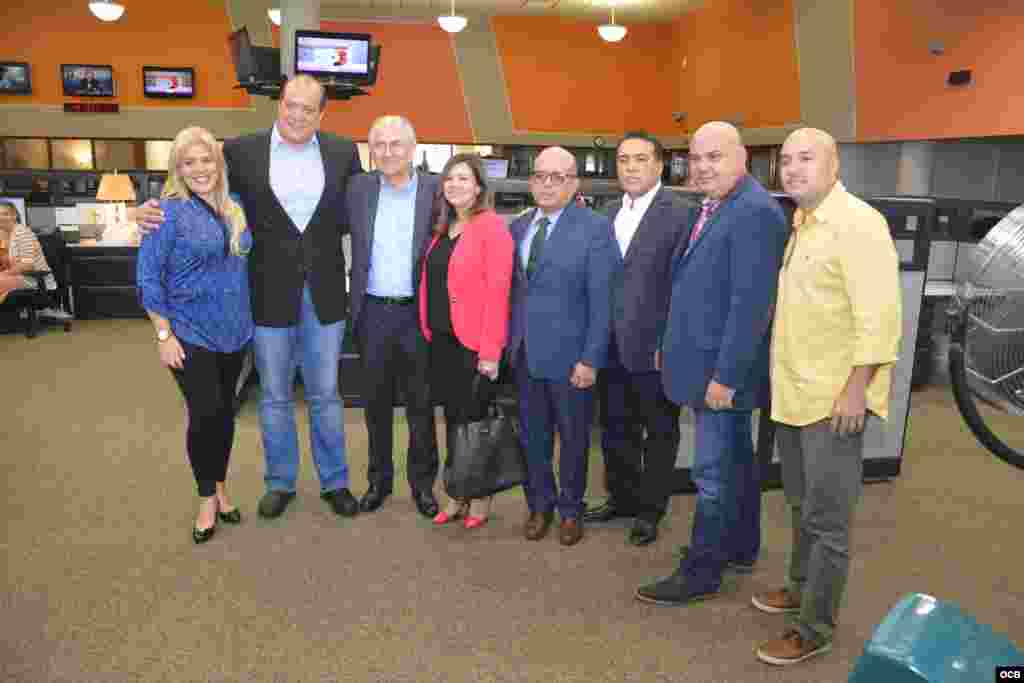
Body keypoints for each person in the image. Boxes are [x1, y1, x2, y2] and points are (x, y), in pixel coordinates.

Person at [138, 75, 364, 521]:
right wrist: (145, 209)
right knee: (275, 395)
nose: (297, 115)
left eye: (308, 108)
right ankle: (280, 482)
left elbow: (363, 208)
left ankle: (335, 481)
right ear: (279, 104)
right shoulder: (240, 151)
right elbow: (197, 182)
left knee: (325, 393)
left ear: (323, 113)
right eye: (290, 105)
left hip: (325, 294)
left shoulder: (343, 153)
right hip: (264, 295)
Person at [752, 128, 901, 666]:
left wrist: (856, 390)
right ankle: (799, 586)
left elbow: (879, 319)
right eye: (786, 160)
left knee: (828, 518)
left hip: (834, 402)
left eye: (806, 158)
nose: (792, 169)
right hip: (794, 393)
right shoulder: (803, 223)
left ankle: (813, 626)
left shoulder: (858, 224)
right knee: (799, 504)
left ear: (834, 165)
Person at [636, 122, 788, 604]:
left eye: (714, 157)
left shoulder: (755, 212)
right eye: (696, 158)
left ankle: (701, 572)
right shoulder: (716, 205)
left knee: (713, 474)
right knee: (737, 463)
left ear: (742, 157)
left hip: (722, 373)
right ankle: (742, 547)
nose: (702, 167)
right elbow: (688, 288)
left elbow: (751, 305)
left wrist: (726, 376)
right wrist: (667, 339)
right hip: (699, 359)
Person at [136, 126, 252, 544]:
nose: (200, 169)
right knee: (205, 414)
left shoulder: (234, 206)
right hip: (189, 333)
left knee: (224, 415)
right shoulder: (165, 212)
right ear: (178, 169)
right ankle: (206, 498)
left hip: (236, 332)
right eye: (190, 163)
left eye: (207, 161)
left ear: (218, 164)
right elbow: (148, 278)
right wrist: (164, 335)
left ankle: (221, 488)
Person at [584, 131, 693, 546]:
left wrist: (672, 343)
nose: (630, 167)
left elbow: (684, 288)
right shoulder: (607, 211)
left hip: (655, 346)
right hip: (609, 344)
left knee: (660, 431)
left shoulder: (681, 213)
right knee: (615, 428)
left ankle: (650, 511)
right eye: (624, 160)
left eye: (640, 159)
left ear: (659, 165)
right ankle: (622, 498)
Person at [507, 147, 619, 546]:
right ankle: (540, 505)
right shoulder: (518, 228)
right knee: (532, 439)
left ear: (574, 184)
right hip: (524, 358)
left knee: (573, 440)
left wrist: (591, 358)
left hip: (573, 360)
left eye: (558, 177)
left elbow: (604, 301)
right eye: (540, 176)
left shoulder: (595, 229)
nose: (547, 184)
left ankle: (571, 510)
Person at [346, 115, 441, 518]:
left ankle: (423, 486)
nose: (387, 152)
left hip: (417, 315)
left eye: (396, 144)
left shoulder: (437, 189)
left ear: (413, 148)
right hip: (372, 314)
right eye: (379, 145)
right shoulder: (358, 188)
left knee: (421, 406)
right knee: (376, 405)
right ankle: (378, 483)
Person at [420, 154, 514, 529]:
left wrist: (491, 352)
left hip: (475, 345)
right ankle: (457, 493)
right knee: (454, 422)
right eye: (450, 179)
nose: (455, 185)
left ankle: (480, 498)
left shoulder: (492, 228)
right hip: (442, 340)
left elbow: (498, 294)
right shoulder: (444, 228)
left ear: (478, 187)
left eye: (464, 178)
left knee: (476, 425)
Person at [0, 200, 56, 305]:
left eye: (5, 214)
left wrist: (4, 274)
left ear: (14, 215)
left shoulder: (23, 233)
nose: (1, 218)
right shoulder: (3, 234)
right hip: (12, 276)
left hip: (30, 279)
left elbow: (27, 265)